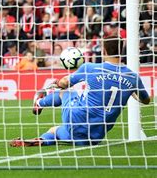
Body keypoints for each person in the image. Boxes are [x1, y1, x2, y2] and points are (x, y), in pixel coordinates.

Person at [10, 37, 151, 147]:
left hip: (77, 118)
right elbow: (146, 100)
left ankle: (39, 103)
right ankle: (40, 140)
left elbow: (64, 83)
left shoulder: (91, 67)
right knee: (54, 130)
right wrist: (132, 91)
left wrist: (57, 83)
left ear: (104, 51)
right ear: (122, 50)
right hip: (96, 136)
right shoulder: (132, 77)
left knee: (66, 93)